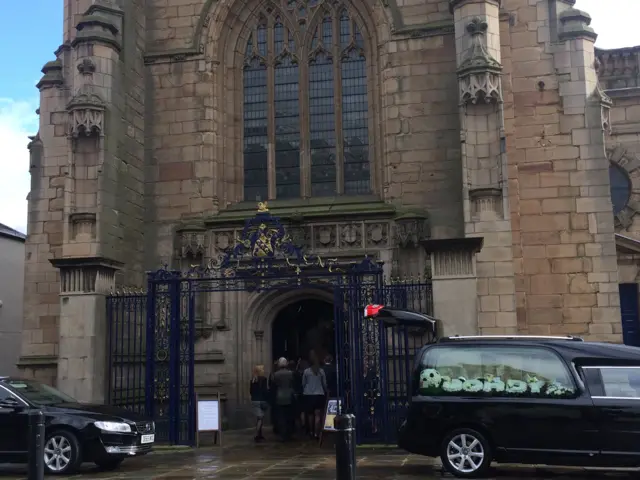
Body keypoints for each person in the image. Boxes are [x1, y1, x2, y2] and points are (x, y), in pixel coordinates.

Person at [303, 352, 328, 439]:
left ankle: (311, 431)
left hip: (308, 394)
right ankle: (316, 433)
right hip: (319, 394)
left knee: (310, 415)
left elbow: (303, 383)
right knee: (318, 414)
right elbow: (324, 384)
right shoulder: (321, 371)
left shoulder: (306, 372)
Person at [272, 357, 295, 441]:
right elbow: (292, 384)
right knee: (289, 416)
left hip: (280, 396)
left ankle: (282, 434)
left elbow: (274, 385)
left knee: (281, 417)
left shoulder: (276, 374)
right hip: (289, 395)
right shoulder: (290, 373)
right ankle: (289, 433)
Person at [250, 365, 269, 442]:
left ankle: (260, 434)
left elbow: (251, 391)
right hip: (261, 400)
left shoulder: (252, 380)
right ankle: (257, 434)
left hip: (254, 400)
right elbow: (265, 391)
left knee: (259, 418)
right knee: (260, 418)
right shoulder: (264, 379)